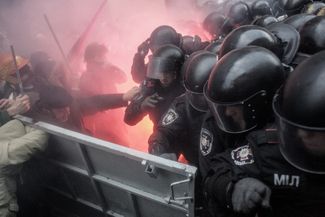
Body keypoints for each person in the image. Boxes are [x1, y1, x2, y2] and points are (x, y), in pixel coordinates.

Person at [203, 50, 325, 217]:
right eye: (297, 129)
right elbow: (217, 168)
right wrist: (233, 187)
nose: (302, 137)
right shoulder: (271, 148)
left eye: (311, 132)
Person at [199, 46, 285, 184]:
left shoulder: (284, 131)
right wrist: (230, 188)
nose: (227, 113)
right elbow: (210, 173)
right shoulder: (216, 120)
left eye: (234, 107)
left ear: (259, 102)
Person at [28, 84, 139, 134]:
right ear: (47, 110)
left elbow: (96, 102)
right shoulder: (38, 122)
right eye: (61, 111)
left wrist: (123, 97)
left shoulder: (71, 108)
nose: (67, 113)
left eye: (67, 109)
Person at [124, 45, 185, 130]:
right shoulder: (150, 86)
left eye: (167, 73)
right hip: (160, 137)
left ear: (176, 72)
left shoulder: (188, 87)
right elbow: (128, 119)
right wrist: (142, 107)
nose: (163, 78)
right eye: (161, 72)